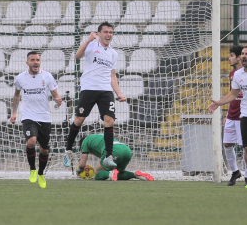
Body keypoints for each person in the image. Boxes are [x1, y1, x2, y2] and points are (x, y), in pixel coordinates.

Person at [63, 22, 126, 169]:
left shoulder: (113, 53)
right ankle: (68, 151)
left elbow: (112, 75)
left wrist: (119, 93)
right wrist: (87, 40)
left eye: (110, 32)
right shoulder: (91, 46)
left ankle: (108, 156)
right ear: (99, 34)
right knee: (79, 120)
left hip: (105, 91)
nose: (108, 34)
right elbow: (78, 56)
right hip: (89, 88)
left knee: (109, 121)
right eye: (105, 32)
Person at [208, 46, 247, 188]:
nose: (244, 56)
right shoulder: (238, 74)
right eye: (243, 54)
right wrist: (218, 104)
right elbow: (233, 94)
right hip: (245, 116)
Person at [10, 51, 62, 188]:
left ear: (40, 62)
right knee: (31, 142)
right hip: (28, 116)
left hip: (44, 117)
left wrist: (57, 99)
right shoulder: (20, 78)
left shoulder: (47, 76)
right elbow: (16, 95)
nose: (35, 62)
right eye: (32, 60)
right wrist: (14, 113)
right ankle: (32, 169)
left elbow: (55, 94)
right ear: (27, 63)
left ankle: (41, 173)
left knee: (44, 150)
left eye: (37, 60)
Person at [223, 46, 247, 186]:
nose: (229, 58)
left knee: (246, 147)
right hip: (231, 116)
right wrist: (227, 115)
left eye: (232, 55)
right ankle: (235, 171)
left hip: (243, 117)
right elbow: (232, 96)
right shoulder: (232, 74)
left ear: (239, 57)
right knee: (227, 144)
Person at [76, 134, 154, 181]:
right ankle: (135, 174)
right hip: (126, 150)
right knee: (118, 174)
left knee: (98, 174)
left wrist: (78, 170)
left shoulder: (85, 141)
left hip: (114, 150)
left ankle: (110, 174)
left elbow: (82, 164)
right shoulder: (96, 138)